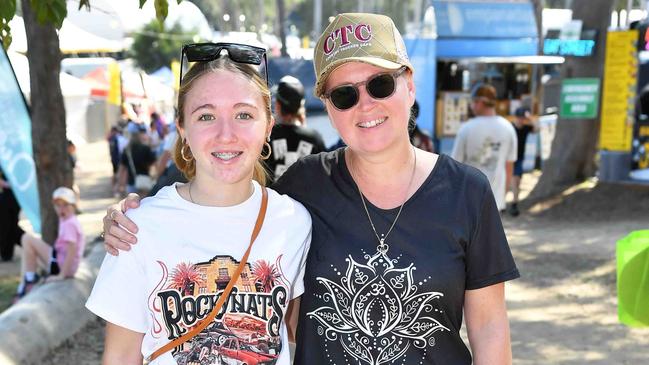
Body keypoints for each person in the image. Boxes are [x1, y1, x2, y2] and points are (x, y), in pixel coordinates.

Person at [102, 14, 519, 364]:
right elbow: (224, 203)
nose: (365, 105)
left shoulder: (468, 192)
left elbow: (489, 325)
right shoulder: (304, 186)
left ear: (408, 84)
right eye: (343, 95)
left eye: (380, 85)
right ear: (328, 109)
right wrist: (128, 220)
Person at [87, 44, 312, 364]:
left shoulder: (293, 222)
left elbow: (296, 334)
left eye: (244, 114)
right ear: (182, 128)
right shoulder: (137, 228)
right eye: (206, 115)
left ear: (268, 127)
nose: (226, 134)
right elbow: (120, 357)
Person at [451, 83, 518, 212]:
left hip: (468, 200)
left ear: (480, 102)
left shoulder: (466, 129)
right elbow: (509, 167)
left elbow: (455, 167)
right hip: (495, 200)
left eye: (472, 102)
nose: (471, 106)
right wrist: (503, 196)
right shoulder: (508, 128)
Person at [13, 187, 85, 301]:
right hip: (60, 261)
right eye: (58, 205)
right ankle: (27, 280)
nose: (62, 209)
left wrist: (62, 274)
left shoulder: (69, 223)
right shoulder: (66, 219)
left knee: (27, 239)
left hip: (61, 266)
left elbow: (72, 249)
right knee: (28, 250)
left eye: (66, 205)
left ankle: (29, 281)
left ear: (74, 205)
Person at [266, 75, 326, 182]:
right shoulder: (314, 139)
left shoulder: (268, 135)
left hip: (271, 197)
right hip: (304, 198)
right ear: (301, 106)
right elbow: (323, 177)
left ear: (278, 105)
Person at [509, 106, 538, 216]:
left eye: (522, 118)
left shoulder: (526, 128)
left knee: (517, 181)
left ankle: (514, 203)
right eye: (519, 117)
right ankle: (513, 204)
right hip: (510, 158)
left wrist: (530, 118)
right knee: (513, 180)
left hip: (520, 158)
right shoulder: (510, 127)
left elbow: (537, 129)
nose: (521, 120)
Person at [117, 124, 157, 196]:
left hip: (131, 183)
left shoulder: (127, 150)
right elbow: (154, 165)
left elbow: (122, 169)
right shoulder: (145, 148)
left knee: (132, 206)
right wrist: (154, 177)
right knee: (145, 204)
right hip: (145, 181)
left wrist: (120, 184)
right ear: (139, 134)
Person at [0, 168, 25, 261]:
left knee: (9, 225)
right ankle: (31, 244)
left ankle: (7, 254)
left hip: (13, 196)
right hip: (7, 195)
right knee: (8, 226)